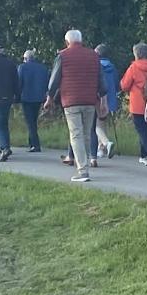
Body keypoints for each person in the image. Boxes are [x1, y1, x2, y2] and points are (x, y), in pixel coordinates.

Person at [45, 30, 106, 182]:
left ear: (67, 42)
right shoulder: (93, 55)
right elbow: (101, 80)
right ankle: (83, 166)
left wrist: (49, 98)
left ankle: (82, 171)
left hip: (71, 100)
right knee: (85, 135)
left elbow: (54, 80)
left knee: (76, 135)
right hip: (90, 101)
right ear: (81, 40)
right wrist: (103, 101)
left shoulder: (63, 56)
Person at [120, 43, 147, 163]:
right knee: (145, 129)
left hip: (137, 104)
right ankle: (143, 156)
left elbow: (125, 85)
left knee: (141, 130)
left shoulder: (134, 67)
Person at [18, 49, 50, 153]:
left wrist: (17, 96)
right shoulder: (43, 68)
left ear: (26, 58)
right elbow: (47, 83)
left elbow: (19, 83)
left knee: (30, 122)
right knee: (33, 120)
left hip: (26, 98)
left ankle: (35, 144)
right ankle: (31, 143)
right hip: (39, 98)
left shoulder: (22, 68)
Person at [96, 44, 121, 159]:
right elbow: (117, 83)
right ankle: (101, 149)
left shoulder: (96, 66)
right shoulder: (112, 67)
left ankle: (106, 143)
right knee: (102, 123)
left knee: (95, 124)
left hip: (98, 97)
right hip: (110, 98)